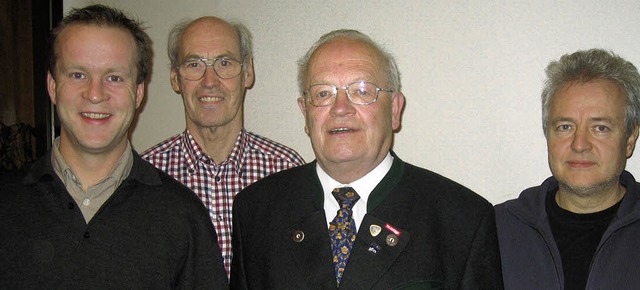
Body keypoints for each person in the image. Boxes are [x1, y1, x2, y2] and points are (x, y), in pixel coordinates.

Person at [231, 29, 503, 289]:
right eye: (323, 93)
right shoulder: (256, 211)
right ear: (305, 113)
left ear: (395, 109)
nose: (340, 109)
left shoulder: (462, 220)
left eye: (362, 91)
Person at [0, 5, 228, 289]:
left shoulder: (182, 216)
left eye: (115, 78)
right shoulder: (6, 204)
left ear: (138, 93)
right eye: (78, 75)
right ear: (52, 86)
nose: (95, 94)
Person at [141, 16, 304, 276]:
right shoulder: (145, 175)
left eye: (224, 63)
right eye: (194, 64)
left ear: (248, 72)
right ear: (175, 78)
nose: (209, 81)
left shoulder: (286, 169)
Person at [495, 48, 640, 289]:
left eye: (600, 128)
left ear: (629, 140)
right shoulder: (496, 230)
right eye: (565, 127)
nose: (579, 144)